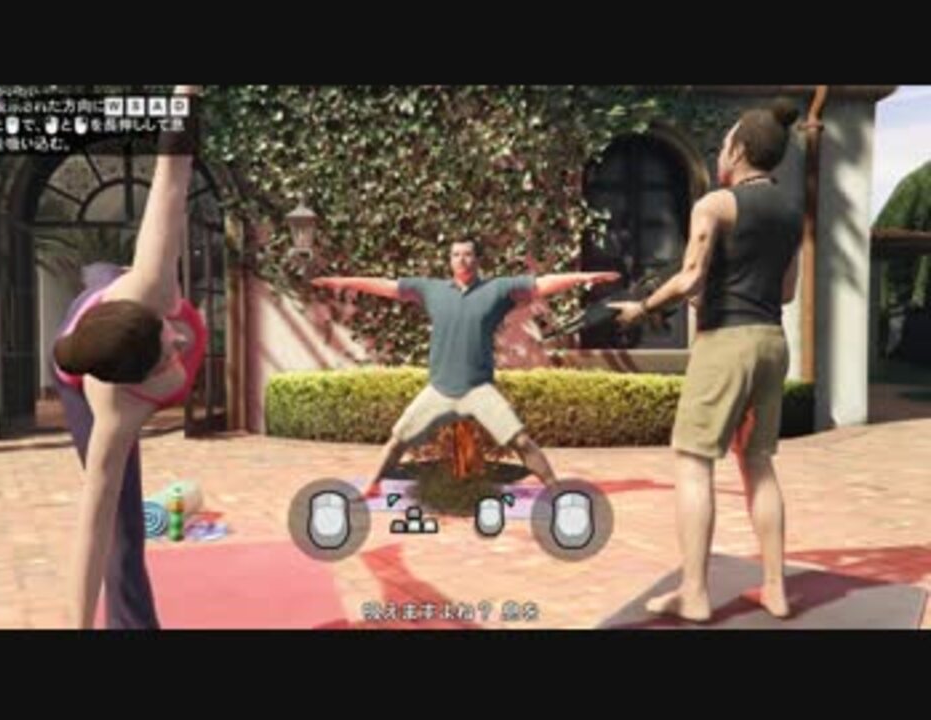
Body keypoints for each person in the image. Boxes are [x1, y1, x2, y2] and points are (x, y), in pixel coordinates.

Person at [611, 99, 804, 621]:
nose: (720, 152)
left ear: (738, 151)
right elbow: (786, 292)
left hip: (726, 345)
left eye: (723, 145)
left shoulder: (716, 204)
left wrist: (642, 308)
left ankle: (694, 593)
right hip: (771, 342)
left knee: (693, 461)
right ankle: (775, 589)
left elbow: (691, 275)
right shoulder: (791, 213)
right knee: (758, 462)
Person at [51, 85, 207, 629]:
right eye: (167, 357)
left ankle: (97, 277)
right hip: (77, 365)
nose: (181, 342)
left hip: (113, 291)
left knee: (105, 276)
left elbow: (173, 173)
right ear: (135, 383)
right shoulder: (115, 412)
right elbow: (91, 530)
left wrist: (186, 91)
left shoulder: (154, 284)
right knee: (122, 528)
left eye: (168, 334)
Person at [312, 238, 620, 497]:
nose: (462, 259)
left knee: (521, 441)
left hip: (478, 390)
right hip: (439, 389)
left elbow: (542, 284)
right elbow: (388, 286)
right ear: (449, 260)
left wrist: (584, 277)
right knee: (398, 440)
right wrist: (344, 281)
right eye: (456, 254)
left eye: (468, 254)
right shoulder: (431, 290)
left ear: (477, 260)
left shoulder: (498, 290)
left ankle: (555, 490)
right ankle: (373, 485)